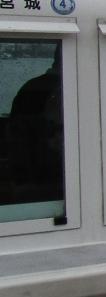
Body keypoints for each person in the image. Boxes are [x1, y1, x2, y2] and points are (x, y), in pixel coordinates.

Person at [8, 47, 62, 201]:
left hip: (28, 172)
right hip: (51, 174)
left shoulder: (30, 88)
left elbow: (14, 133)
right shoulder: (70, 89)